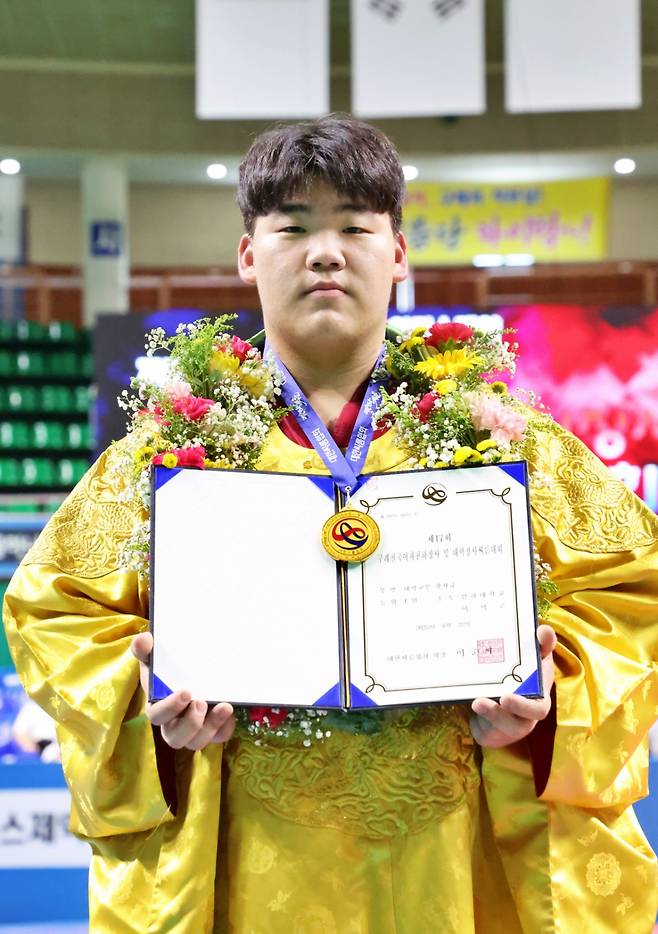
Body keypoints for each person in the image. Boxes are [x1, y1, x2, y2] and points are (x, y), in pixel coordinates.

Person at [4, 115, 658, 932]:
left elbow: (633, 589)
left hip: (458, 857)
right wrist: (144, 697)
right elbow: (56, 612)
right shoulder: (166, 453)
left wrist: (548, 694)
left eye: (355, 227)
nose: (325, 253)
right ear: (249, 254)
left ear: (399, 252)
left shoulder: (499, 439)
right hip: (250, 861)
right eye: (293, 228)